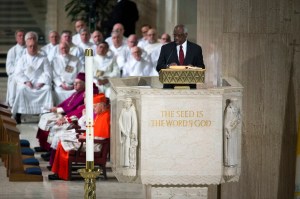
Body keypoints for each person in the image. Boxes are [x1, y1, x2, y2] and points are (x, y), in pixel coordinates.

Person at [48, 93, 110, 180]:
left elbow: (101, 137)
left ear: (101, 106)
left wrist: (85, 138)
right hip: (90, 141)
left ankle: (62, 174)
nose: (93, 109)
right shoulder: (101, 114)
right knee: (61, 143)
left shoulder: (106, 116)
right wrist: (84, 136)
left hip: (94, 146)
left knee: (63, 145)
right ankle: (58, 172)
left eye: (95, 107)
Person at [35, 72, 86, 152]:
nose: (75, 85)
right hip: (64, 115)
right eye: (74, 83)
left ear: (84, 84)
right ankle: (43, 145)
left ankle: (49, 149)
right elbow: (66, 103)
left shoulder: (83, 95)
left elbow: (73, 110)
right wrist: (57, 108)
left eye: (78, 83)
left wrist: (59, 111)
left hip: (68, 117)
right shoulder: (76, 93)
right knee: (44, 117)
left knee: (51, 124)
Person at [12, 38, 53, 124]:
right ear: (27, 47)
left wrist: (42, 82)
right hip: (27, 84)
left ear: (37, 46)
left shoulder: (43, 58)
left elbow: (48, 72)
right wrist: (26, 81)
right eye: (30, 46)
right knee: (21, 89)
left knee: (47, 89)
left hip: (39, 83)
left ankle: (45, 113)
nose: (32, 48)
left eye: (34, 46)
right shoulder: (22, 59)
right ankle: (19, 113)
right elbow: (18, 73)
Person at [5, 29, 26, 107]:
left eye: (23, 36)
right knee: (14, 81)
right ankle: (13, 105)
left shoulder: (29, 49)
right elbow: (9, 68)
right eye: (19, 36)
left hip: (27, 75)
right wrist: (19, 72)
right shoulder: (12, 51)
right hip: (16, 75)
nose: (22, 37)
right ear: (16, 38)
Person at [119, 97, 137, 168]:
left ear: (130, 103)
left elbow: (134, 122)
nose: (126, 103)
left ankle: (128, 163)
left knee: (128, 147)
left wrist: (133, 132)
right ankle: (124, 162)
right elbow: (120, 120)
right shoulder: (123, 110)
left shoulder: (132, 111)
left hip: (129, 133)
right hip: (124, 132)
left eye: (128, 102)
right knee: (123, 147)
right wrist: (123, 130)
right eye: (126, 102)